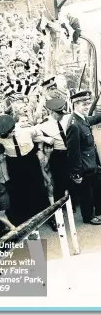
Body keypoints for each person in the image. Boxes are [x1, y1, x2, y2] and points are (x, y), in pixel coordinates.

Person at [0, 114, 53, 225]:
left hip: (30, 160)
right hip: (14, 163)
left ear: (12, 130)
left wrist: (40, 148)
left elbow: (39, 134)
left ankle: (48, 217)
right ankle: (26, 220)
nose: (3, 136)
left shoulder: (26, 131)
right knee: (20, 189)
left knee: (38, 186)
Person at [66, 90, 101, 225]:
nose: (87, 106)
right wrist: (76, 173)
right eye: (83, 104)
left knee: (97, 188)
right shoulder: (74, 124)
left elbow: (95, 118)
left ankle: (98, 212)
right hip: (84, 167)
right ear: (75, 104)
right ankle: (88, 217)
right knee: (87, 194)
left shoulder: (82, 118)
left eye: (87, 103)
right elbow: (73, 152)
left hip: (92, 163)